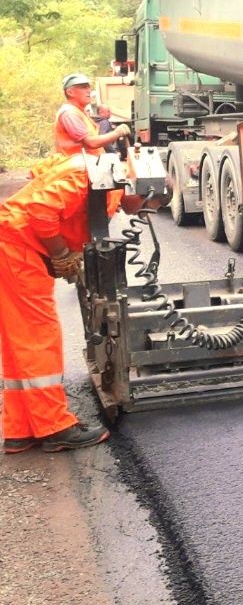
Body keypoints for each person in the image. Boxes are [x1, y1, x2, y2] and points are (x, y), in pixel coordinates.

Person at [0, 152, 145, 454]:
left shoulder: (98, 174)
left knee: (20, 342)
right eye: (146, 206)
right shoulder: (88, 177)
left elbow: (39, 174)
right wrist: (60, 253)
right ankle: (54, 428)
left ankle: (21, 429)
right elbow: (40, 209)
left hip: (15, 245)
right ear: (141, 187)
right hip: (17, 249)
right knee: (39, 337)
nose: (139, 213)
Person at [55, 74, 131, 155]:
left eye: (88, 87)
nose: (89, 91)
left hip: (86, 164)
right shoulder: (69, 113)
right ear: (70, 92)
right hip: (75, 166)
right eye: (83, 87)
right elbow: (91, 143)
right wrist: (117, 133)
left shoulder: (80, 112)